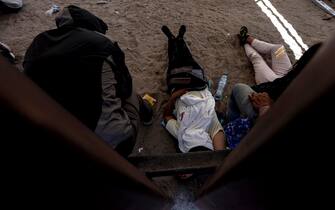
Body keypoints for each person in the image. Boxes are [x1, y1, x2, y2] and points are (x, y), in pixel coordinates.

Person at [23, 5, 152, 156]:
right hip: (113, 146)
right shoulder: (103, 43)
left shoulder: (37, 45)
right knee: (128, 87)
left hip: (59, 142)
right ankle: (146, 113)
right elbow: (124, 87)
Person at [225, 43, 322, 148]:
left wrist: (266, 106)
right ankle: (247, 38)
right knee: (278, 49)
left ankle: (244, 43)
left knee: (256, 58)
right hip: (287, 76)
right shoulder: (304, 74)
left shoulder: (310, 91)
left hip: (270, 85)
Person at [161, 25, 226, 153]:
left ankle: (171, 39)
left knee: (174, 63)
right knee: (189, 61)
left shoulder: (181, 133)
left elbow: (166, 115)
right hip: (199, 85)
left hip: (178, 88)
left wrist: (174, 97)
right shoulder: (210, 126)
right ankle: (179, 39)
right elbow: (220, 154)